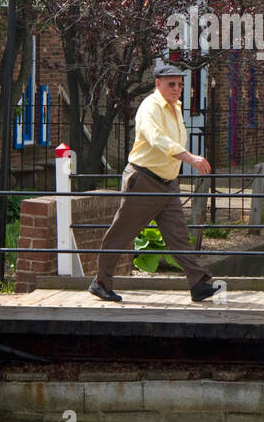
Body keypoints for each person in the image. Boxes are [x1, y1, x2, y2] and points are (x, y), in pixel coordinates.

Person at [88, 63, 222, 303]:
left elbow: (170, 141)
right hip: (144, 181)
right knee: (122, 232)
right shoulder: (150, 107)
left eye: (180, 84)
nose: (177, 89)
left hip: (168, 184)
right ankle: (100, 283)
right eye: (172, 84)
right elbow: (158, 140)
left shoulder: (176, 107)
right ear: (157, 83)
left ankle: (198, 284)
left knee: (179, 236)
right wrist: (190, 157)